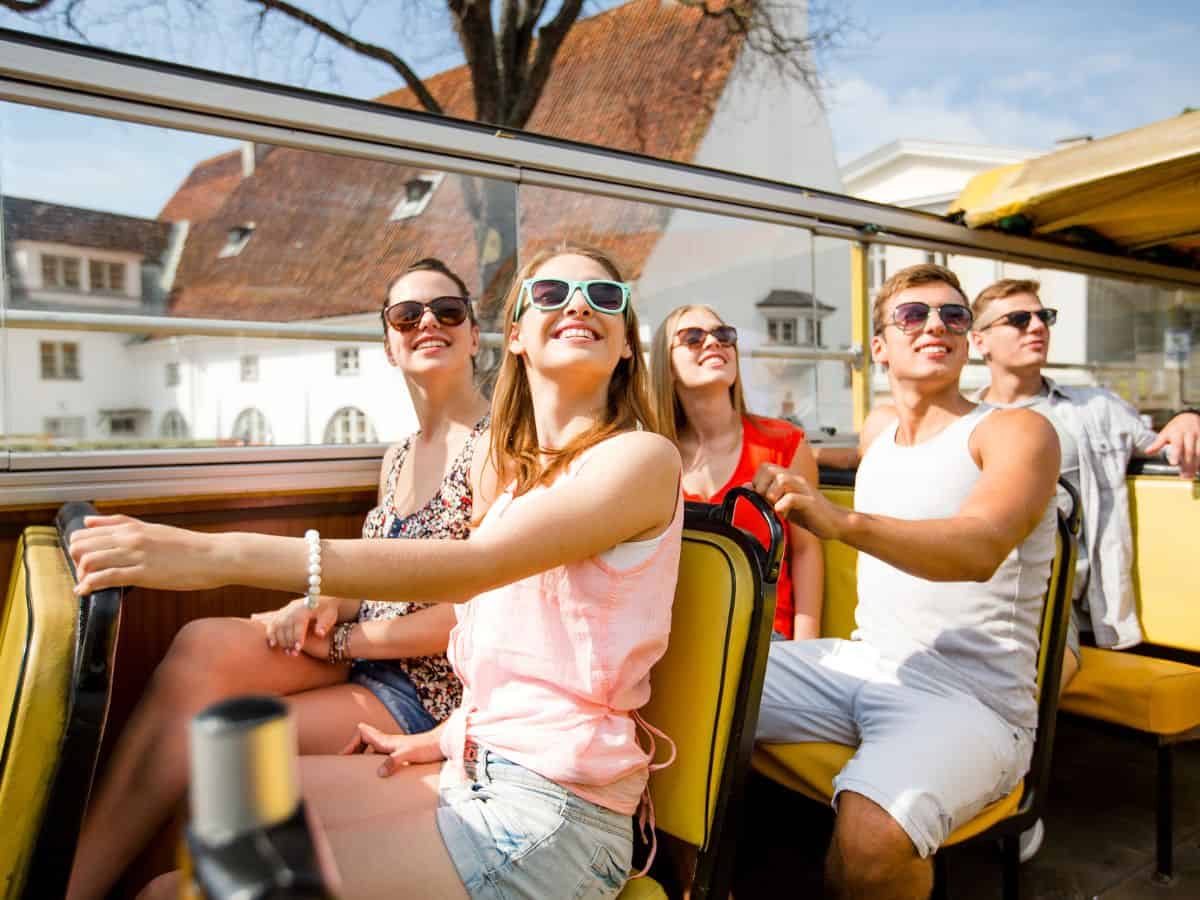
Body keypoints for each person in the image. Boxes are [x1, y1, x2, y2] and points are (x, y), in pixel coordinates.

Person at [70, 244, 684, 900]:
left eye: (604, 297)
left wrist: (213, 555)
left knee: (178, 892)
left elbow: (474, 570)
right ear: (515, 338)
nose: (579, 305)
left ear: (626, 345)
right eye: (551, 295)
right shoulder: (523, 483)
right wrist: (450, 736)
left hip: (553, 811)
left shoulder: (640, 460)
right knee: (223, 800)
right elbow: (521, 653)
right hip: (476, 764)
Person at [66, 258, 492, 900]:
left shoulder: (495, 449)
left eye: (447, 311)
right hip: (363, 657)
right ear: (388, 343)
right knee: (204, 645)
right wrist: (319, 603)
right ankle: (67, 881)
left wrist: (343, 643)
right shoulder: (400, 454)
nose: (427, 323)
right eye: (408, 315)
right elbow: (377, 562)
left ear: (475, 333)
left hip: (424, 692)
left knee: (221, 745)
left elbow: (477, 613)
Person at [751, 263, 1060, 900]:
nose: (935, 327)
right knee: (685, 678)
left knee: (869, 845)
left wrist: (843, 522)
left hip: (972, 702)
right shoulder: (877, 431)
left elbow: (979, 548)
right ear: (879, 347)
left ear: (970, 339)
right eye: (913, 315)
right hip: (867, 665)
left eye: (953, 316)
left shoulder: (1014, 431)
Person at [969, 277, 1200, 688]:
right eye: (1019, 319)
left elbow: (1168, 450)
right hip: (981, 585)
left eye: (1044, 317)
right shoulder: (962, 419)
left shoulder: (1096, 409)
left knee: (1028, 674)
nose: (1037, 327)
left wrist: (1188, 417)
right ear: (980, 341)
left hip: (1055, 598)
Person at [651, 304, 823, 639]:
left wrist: (807, 649)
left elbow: (805, 551)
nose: (713, 342)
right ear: (667, 365)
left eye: (724, 335)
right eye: (693, 337)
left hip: (768, 642)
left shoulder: (784, 444)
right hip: (681, 641)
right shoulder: (654, 459)